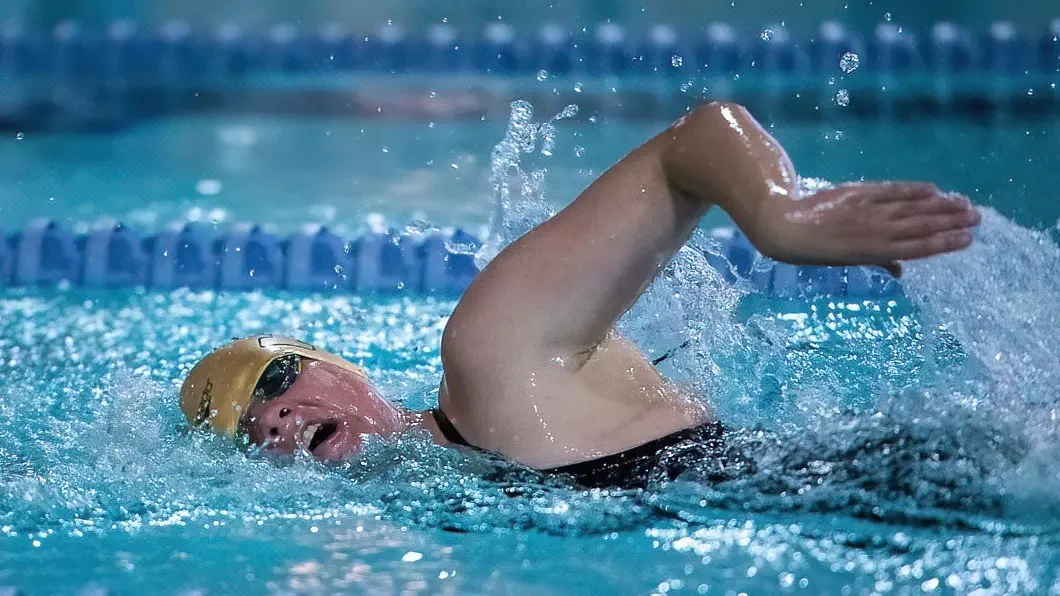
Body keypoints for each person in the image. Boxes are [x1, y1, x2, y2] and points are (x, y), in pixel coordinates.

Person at [180, 102, 980, 489]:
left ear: (340, 367)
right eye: (245, 430)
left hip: (931, 485)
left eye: (276, 380)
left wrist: (780, 215)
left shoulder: (491, 360)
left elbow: (693, 143)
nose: (272, 417)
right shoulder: (454, 498)